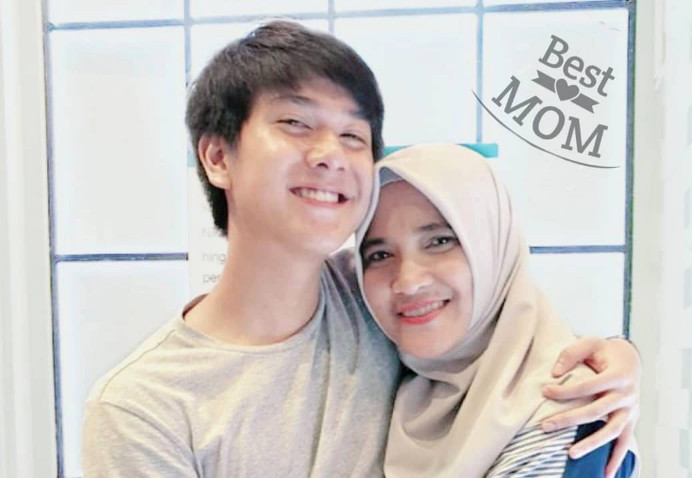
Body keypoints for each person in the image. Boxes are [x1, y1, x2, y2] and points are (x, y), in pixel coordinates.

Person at [82, 21, 640, 477]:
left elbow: (505, 331)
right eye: (296, 123)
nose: (330, 153)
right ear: (217, 158)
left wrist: (617, 359)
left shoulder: (382, 297)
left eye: (354, 136)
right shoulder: (143, 409)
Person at [356, 143, 638, 477]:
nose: (407, 282)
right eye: (379, 255)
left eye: (440, 241)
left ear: (494, 250)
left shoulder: (562, 416)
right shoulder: (411, 386)